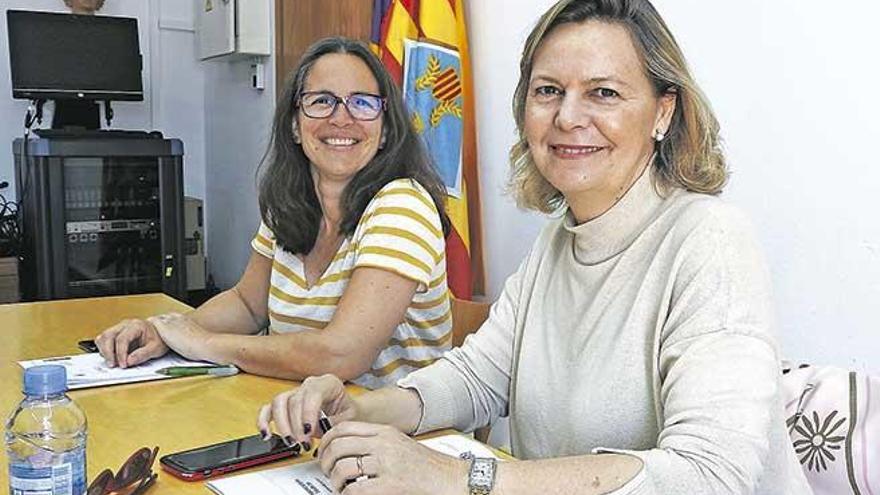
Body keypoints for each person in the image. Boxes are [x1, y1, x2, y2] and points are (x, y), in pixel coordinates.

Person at [257, 1, 814, 493]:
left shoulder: (711, 240)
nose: (569, 117)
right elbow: (474, 379)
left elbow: (709, 474)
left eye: (604, 92)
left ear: (664, 112)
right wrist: (360, 407)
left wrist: (457, 478)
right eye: (549, 91)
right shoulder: (556, 242)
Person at [95, 37, 453, 390]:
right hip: (297, 419)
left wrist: (204, 345)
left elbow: (342, 356)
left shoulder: (403, 206)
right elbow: (249, 306)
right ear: (295, 125)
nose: (341, 118)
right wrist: (164, 333)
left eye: (362, 102)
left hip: (393, 438)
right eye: (322, 100)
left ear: (386, 128)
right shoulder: (290, 203)